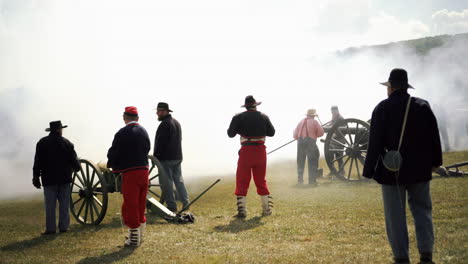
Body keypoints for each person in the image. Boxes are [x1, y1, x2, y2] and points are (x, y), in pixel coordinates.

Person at [363, 68, 442, 264]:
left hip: (392, 171)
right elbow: (434, 137)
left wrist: (369, 170)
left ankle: (401, 257)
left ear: (390, 87)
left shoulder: (381, 108)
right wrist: (436, 162)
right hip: (420, 169)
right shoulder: (422, 106)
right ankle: (426, 255)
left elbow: (374, 143)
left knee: (395, 216)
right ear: (406, 87)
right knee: (423, 211)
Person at [107, 106, 150, 247]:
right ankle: (141, 234)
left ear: (124, 117)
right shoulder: (144, 131)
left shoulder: (122, 133)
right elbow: (147, 148)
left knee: (130, 205)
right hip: (144, 172)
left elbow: (114, 152)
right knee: (140, 203)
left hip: (131, 173)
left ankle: (133, 239)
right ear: (137, 118)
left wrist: (113, 165)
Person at [227, 95, 275, 218]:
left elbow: (230, 134)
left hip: (246, 151)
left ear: (246, 106)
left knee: (242, 179)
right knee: (261, 180)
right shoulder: (264, 116)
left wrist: (240, 129)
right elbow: (271, 133)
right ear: (255, 105)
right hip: (260, 151)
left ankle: (242, 211)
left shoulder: (238, 117)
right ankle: (266, 210)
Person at [33, 120, 80, 235]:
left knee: (50, 206)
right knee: (64, 204)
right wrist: (77, 167)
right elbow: (75, 164)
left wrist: (36, 177)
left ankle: (51, 229)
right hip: (64, 179)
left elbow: (37, 162)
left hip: (49, 180)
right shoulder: (67, 143)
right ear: (59, 130)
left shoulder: (42, 143)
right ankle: (64, 227)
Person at [153, 102, 190, 213]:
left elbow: (160, 143)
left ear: (164, 111)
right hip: (177, 157)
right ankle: (186, 202)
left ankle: (171, 206)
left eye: (158, 111)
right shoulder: (176, 123)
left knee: (166, 182)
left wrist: (156, 158)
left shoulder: (164, 124)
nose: (157, 114)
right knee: (179, 181)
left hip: (166, 158)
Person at [293, 109, 324, 185]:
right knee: (312, 161)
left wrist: (300, 137)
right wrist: (314, 134)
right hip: (310, 143)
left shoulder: (301, 122)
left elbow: (295, 134)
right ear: (313, 115)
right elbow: (321, 133)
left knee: (300, 161)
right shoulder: (314, 122)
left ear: (307, 115)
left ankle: (300, 181)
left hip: (300, 143)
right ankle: (312, 181)